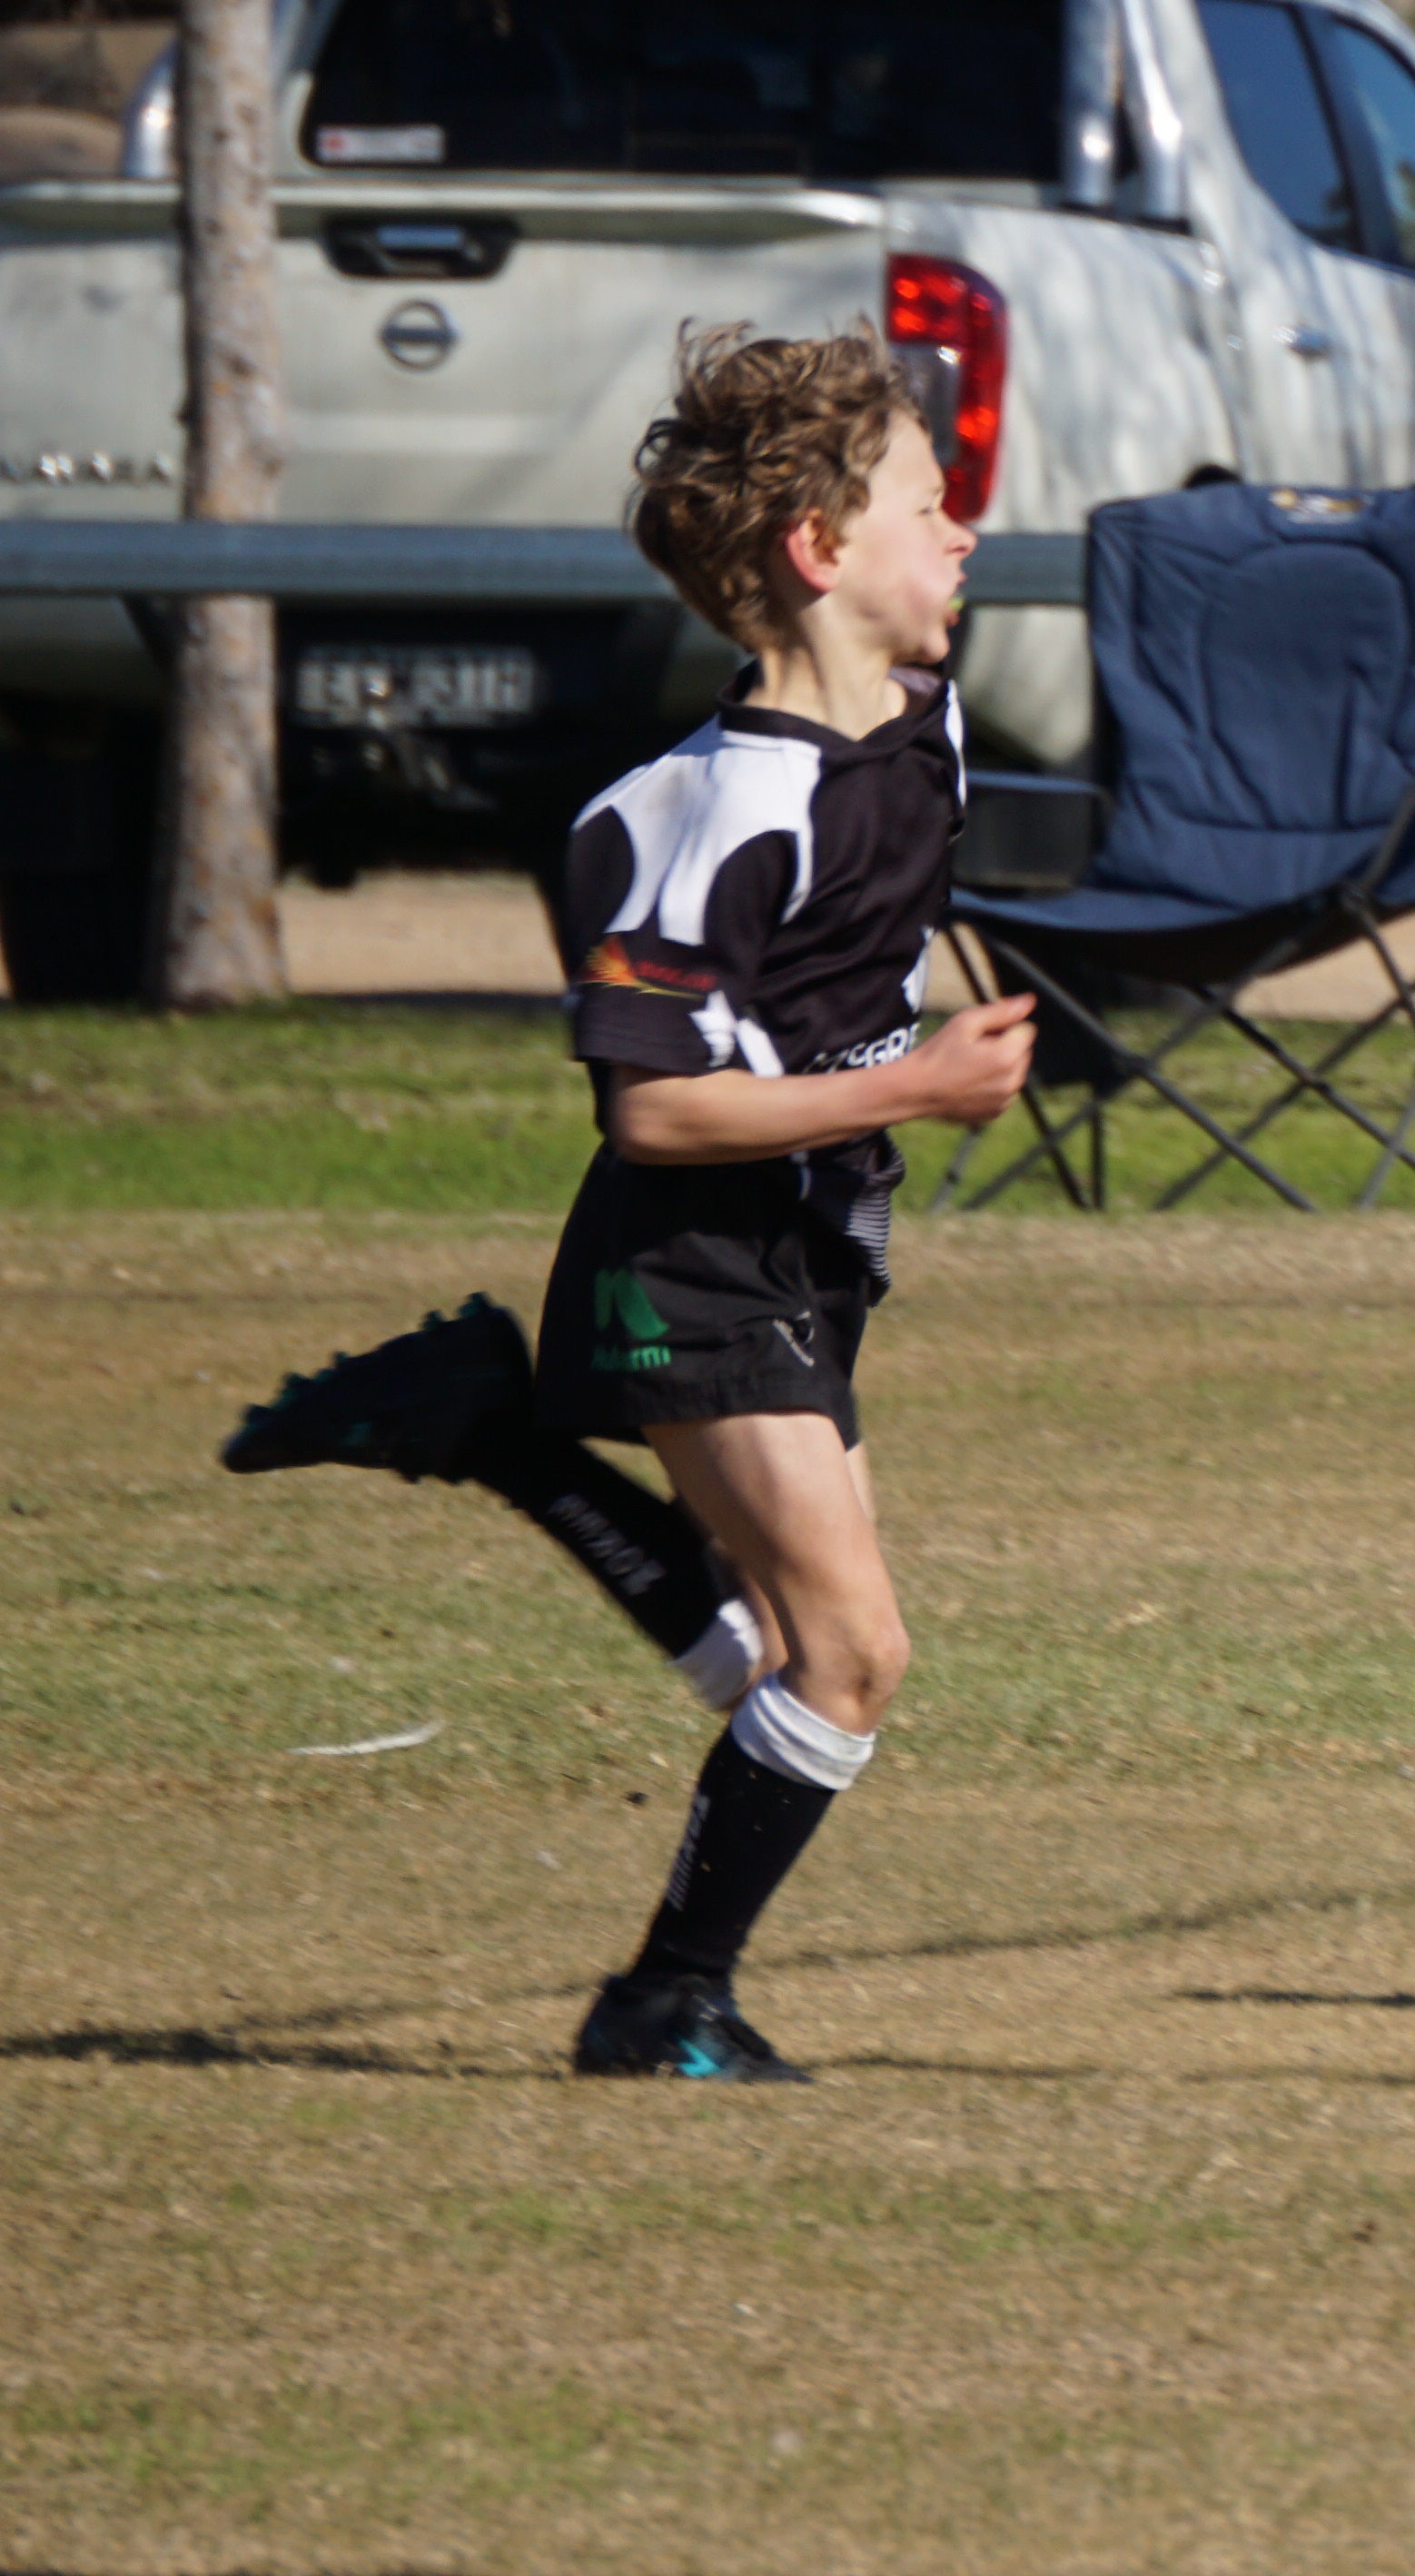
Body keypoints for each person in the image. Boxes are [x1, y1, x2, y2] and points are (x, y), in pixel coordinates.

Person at [221, 327, 1037, 2082]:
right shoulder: (698, 810)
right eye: (928, 501)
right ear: (822, 551)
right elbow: (658, 1105)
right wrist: (921, 1081)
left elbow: (850, 961)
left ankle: (488, 1431)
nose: (966, 531)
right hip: (691, 1252)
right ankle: (665, 2001)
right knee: (848, 1652)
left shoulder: (926, 721)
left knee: (777, 1650)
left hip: (812, 1244)